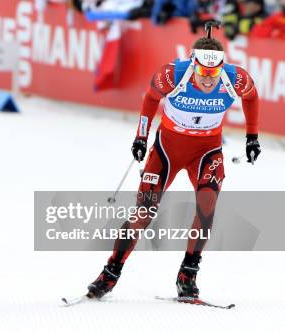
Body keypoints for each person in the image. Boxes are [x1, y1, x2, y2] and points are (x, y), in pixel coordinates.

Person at [86, 33, 260, 299]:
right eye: (202, 70)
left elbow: (252, 97)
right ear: (193, 63)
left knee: (206, 207)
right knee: (143, 213)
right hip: (167, 150)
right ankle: (110, 272)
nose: (208, 78)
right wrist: (141, 137)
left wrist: (252, 137)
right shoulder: (174, 74)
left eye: (215, 72)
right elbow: (150, 98)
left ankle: (187, 275)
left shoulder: (235, 77)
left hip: (207, 152)